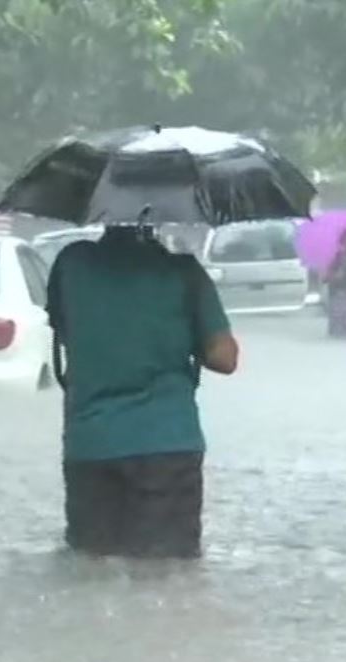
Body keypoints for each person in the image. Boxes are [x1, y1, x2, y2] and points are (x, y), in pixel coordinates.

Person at [47, 223, 239, 559]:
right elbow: (223, 358)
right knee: (166, 576)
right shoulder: (182, 271)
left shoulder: (71, 264)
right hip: (168, 444)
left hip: (91, 445)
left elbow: (67, 332)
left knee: (92, 572)